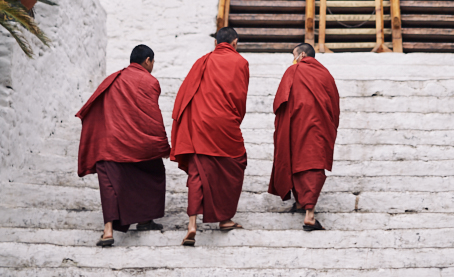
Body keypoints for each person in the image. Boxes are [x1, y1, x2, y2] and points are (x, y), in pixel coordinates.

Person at [76, 44, 170, 248]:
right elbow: (151, 116)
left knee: (109, 185)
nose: (152, 66)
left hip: (109, 143)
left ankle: (108, 231)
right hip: (136, 143)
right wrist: (161, 144)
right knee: (152, 172)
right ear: (147, 61)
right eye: (152, 62)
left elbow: (95, 107)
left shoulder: (112, 79)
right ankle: (145, 221)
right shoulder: (149, 81)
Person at [171, 26, 249, 246]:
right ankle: (224, 219)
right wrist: (233, 120)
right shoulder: (241, 63)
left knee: (197, 173)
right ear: (235, 43)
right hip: (225, 123)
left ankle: (192, 225)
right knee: (235, 163)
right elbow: (240, 99)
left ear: (216, 43)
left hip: (198, 124)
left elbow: (185, 94)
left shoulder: (202, 61)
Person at [268, 42, 340, 231]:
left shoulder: (293, 70)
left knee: (296, 161)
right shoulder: (326, 75)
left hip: (295, 125)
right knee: (313, 162)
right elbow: (334, 106)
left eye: (294, 55)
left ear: (300, 56)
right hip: (318, 128)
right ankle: (305, 207)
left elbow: (279, 103)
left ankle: (308, 212)